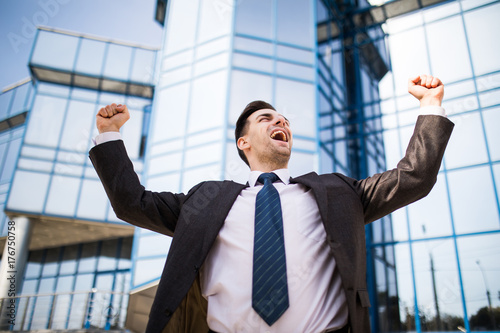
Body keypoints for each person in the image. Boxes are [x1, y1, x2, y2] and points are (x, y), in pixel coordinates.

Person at [89, 75, 454, 333]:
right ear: (243, 143)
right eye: (266, 119)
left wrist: (430, 105)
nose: (281, 121)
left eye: (284, 120)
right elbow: (131, 203)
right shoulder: (205, 201)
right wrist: (109, 134)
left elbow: (414, 178)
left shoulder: (340, 193)